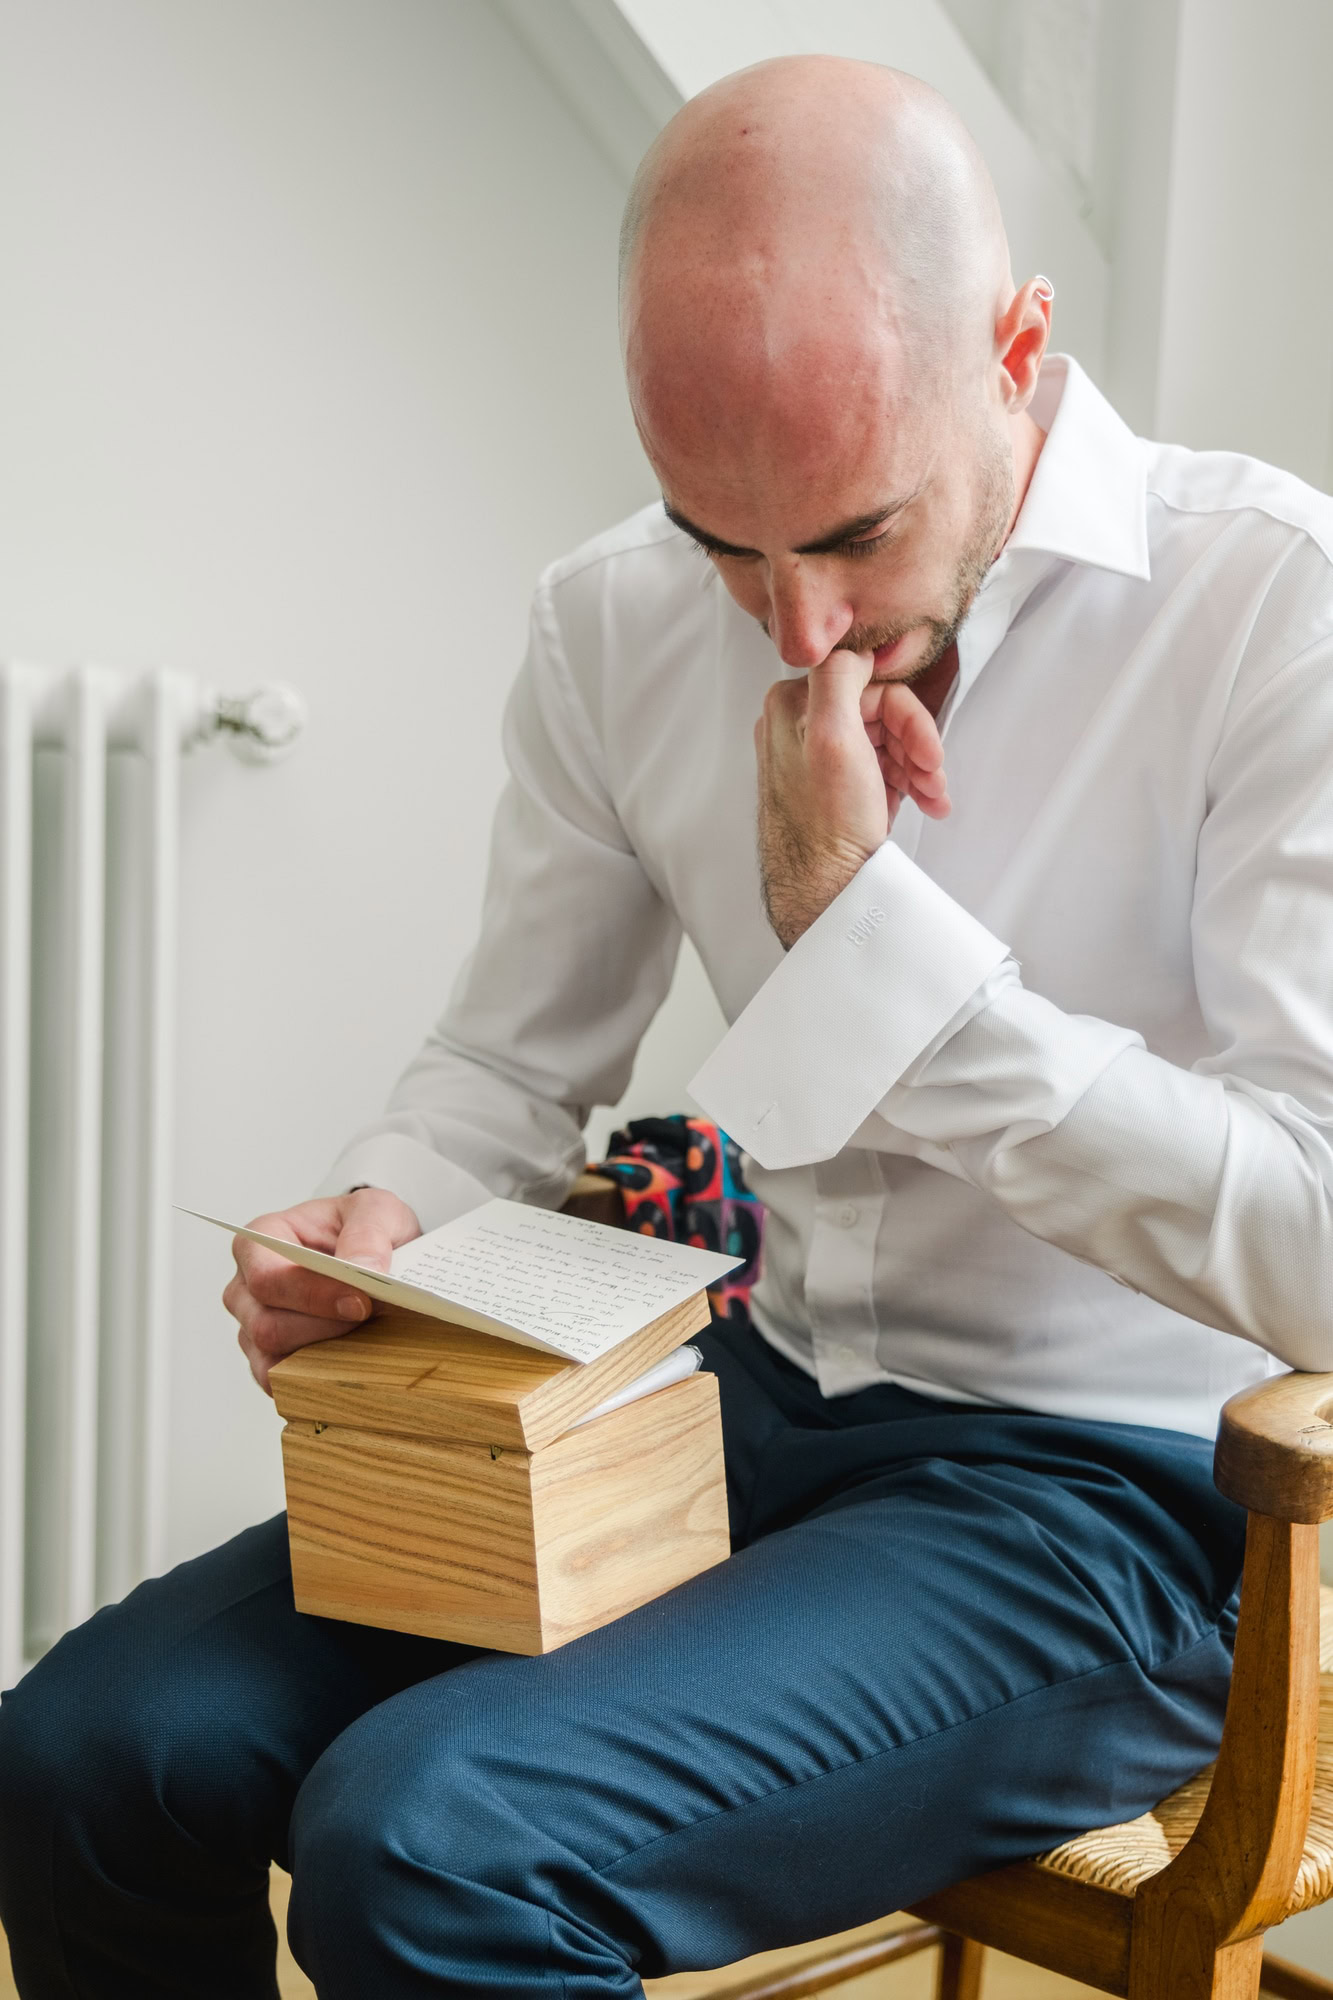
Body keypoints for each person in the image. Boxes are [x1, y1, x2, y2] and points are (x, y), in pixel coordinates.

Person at [3, 52, 1332, 2000]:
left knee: (428, 1848)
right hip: (736, 1390)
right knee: (87, 1751)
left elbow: (1317, 1244)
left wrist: (870, 945)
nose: (794, 629)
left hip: (1111, 1491)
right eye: (723, 542)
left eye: (856, 533)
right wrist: (388, 1207)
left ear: (1015, 351)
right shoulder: (608, 619)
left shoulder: (1273, 608)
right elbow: (502, 1065)